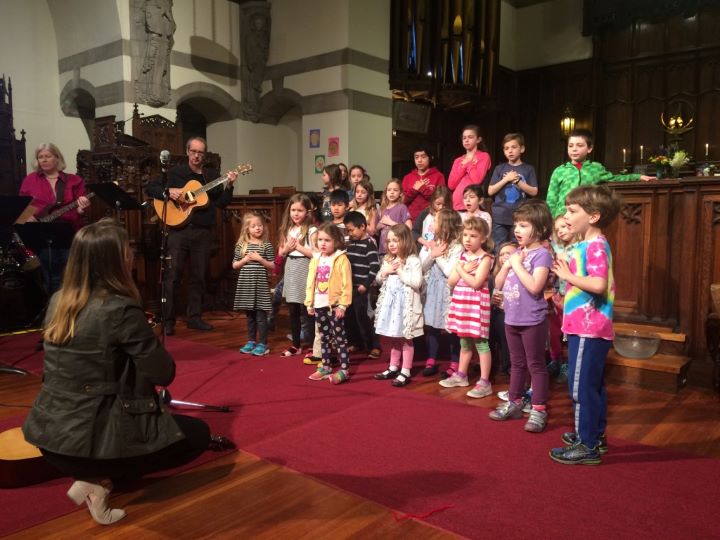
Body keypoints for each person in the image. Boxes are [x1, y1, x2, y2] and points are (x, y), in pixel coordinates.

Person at [22, 219, 222, 526]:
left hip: (49, 436)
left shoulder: (57, 301)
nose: (132, 254)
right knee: (197, 435)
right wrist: (146, 334)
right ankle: (98, 481)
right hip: (85, 444)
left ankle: (94, 473)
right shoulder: (119, 309)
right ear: (114, 261)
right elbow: (163, 373)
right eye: (126, 250)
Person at [549, 185, 621, 465]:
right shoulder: (583, 243)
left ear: (593, 216)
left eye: (572, 210)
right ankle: (594, 435)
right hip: (583, 325)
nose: (566, 215)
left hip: (589, 327)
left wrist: (568, 274)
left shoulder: (596, 245)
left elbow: (598, 284)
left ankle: (586, 444)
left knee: (580, 388)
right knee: (593, 385)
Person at [144, 137, 238, 335]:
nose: (197, 155)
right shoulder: (176, 172)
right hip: (178, 231)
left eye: (201, 152)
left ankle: (194, 317)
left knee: (199, 276)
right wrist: (169, 192)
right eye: (194, 151)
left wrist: (229, 185)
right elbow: (150, 188)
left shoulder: (211, 176)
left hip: (203, 232)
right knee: (173, 276)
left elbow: (221, 203)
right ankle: (168, 320)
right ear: (188, 152)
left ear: (204, 154)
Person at [489, 200, 553, 433]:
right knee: (516, 364)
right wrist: (507, 266)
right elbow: (497, 285)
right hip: (511, 317)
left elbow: (536, 287)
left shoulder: (542, 255)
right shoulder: (517, 253)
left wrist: (516, 264)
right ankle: (515, 402)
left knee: (535, 364)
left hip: (532, 319)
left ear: (539, 227)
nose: (517, 230)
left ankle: (538, 409)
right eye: (516, 225)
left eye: (524, 225)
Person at [19, 143, 91, 295]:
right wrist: (28, 216)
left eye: (47, 156)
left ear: (57, 158)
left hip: (70, 233)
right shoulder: (30, 180)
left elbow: (80, 209)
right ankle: (53, 310)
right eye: (40, 157)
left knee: (73, 276)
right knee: (52, 277)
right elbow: (22, 206)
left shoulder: (74, 180)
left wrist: (82, 207)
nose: (43, 160)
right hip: (42, 234)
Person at [440, 217, 495, 398]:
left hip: (476, 305)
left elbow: (476, 283)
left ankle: (485, 381)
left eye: (473, 235)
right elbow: (451, 281)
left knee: (480, 343)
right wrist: (462, 268)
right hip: (462, 304)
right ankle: (461, 375)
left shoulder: (485, 258)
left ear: (483, 238)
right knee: (464, 341)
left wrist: (462, 269)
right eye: (465, 235)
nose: (468, 239)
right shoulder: (463, 256)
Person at [546, 128, 654, 218]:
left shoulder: (596, 168)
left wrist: (638, 176)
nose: (574, 149)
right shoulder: (559, 170)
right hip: (563, 217)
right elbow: (551, 199)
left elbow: (614, 178)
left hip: (586, 216)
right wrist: (552, 220)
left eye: (579, 145)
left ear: (589, 148)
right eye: (571, 146)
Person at [373, 224, 424, 387]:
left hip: (405, 309)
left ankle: (406, 370)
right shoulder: (388, 259)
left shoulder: (413, 260)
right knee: (393, 337)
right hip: (391, 308)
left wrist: (401, 271)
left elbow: (417, 282)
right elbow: (379, 280)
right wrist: (385, 272)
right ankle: (393, 367)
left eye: (396, 240)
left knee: (405, 339)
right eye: (389, 241)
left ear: (405, 241)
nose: (392, 244)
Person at [305, 223, 353, 384]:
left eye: (327, 240)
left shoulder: (341, 259)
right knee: (324, 337)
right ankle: (326, 365)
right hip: (319, 305)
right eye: (320, 240)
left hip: (334, 305)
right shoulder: (316, 259)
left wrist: (343, 305)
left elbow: (347, 284)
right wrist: (309, 303)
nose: (323, 243)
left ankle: (345, 369)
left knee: (339, 337)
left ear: (336, 241)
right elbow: (311, 281)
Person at [419, 209, 463, 377]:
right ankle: (431, 359)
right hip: (432, 290)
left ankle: (454, 362)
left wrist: (437, 256)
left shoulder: (457, 247)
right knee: (432, 325)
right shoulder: (431, 242)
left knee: (452, 328)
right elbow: (421, 266)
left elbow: (450, 271)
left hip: (448, 292)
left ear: (445, 224)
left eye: (435, 220)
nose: (432, 224)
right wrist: (432, 254)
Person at [277, 193, 317, 356]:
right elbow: (281, 252)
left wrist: (299, 247)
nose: (295, 213)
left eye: (299, 210)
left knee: (307, 309)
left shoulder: (311, 230)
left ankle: (315, 346)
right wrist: (287, 249)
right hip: (291, 268)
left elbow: (316, 254)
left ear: (307, 212)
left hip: (305, 267)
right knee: (292, 309)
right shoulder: (287, 229)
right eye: (293, 210)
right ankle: (296, 344)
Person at [233, 211, 275, 357]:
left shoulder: (266, 245)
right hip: (246, 286)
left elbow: (273, 265)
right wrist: (244, 260)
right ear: (247, 229)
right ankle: (251, 341)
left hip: (260, 286)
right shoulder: (241, 245)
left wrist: (259, 259)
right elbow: (234, 265)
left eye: (260, 225)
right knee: (250, 316)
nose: (258, 228)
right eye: (254, 226)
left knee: (260, 316)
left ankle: (263, 343)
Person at [488, 133, 538, 250]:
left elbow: (534, 191)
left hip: (520, 217)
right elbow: (490, 191)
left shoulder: (528, 169)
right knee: (499, 248)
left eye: (513, 147)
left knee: (518, 247)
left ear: (522, 149)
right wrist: (506, 179)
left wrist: (518, 182)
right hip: (500, 216)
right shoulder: (499, 169)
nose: (510, 151)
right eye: (506, 148)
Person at [343, 211, 381, 358]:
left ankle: (374, 345)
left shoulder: (369, 245)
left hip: (362, 288)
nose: (349, 233)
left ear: (363, 227)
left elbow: (375, 267)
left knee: (364, 317)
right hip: (349, 288)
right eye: (348, 230)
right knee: (350, 316)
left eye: (351, 230)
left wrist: (365, 284)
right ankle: (356, 343)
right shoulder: (350, 244)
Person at [547, 215, 578, 383]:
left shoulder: (579, 249)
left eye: (564, 227)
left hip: (572, 298)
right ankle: (556, 360)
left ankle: (568, 364)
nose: (561, 231)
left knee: (569, 334)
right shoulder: (557, 249)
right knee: (554, 331)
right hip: (557, 295)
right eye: (558, 229)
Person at [489, 241, 518, 376]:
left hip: (514, 313)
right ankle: (491, 365)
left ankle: (509, 366)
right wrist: (491, 301)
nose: (504, 256)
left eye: (509, 253)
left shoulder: (520, 275)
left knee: (503, 323)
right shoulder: (493, 276)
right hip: (497, 311)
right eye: (501, 254)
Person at [447, 125, 492, 211]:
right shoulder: (458, 161)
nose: (466, 140)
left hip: (473, 205)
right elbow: (451, 185)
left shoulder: (483, 156)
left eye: (470, 137)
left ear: (478, 139)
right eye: (464, 138)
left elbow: (477, 180)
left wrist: (468, 164)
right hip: (457, 205)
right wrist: (463, 167)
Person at [401, 145, 446, 221]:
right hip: (411, 220)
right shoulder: (407, 177)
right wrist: (414, 190)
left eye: (423, 157)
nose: (419, 160)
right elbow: (402, 200)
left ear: (430, 158)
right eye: (416, 157)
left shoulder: (439, 176)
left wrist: (422, 188)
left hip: (432, 218)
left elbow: (440, 200)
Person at [376, 178, 412, 257]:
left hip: (398, 251)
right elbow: (376, 229)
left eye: (395, 190)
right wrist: (380, 224)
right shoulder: (383, 209)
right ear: (386, 193)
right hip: (383, 250)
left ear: (400, 193)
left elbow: (409, 228)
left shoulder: (402, 207)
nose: (392, 192)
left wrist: (390, 222)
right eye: (389, 190)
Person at [413, 185, 452, 251]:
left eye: (444, 205)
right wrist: (426, 243)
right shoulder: (425, 213)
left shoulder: (451, 216)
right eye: (438, 204)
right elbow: (414, 232)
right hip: (424, 248)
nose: (441, 207)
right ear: (433, 202)